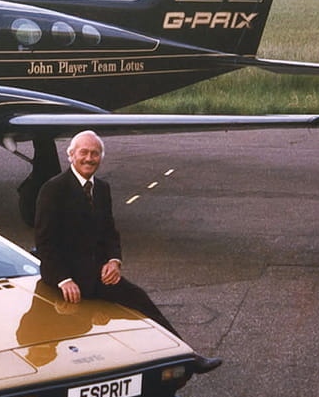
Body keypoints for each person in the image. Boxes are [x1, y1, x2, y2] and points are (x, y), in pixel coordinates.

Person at [34, 130, 222, 374]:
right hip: (65, 278)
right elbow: (44, 242)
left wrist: (114, 261)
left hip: (99, 276)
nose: (89, 158)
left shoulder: (102, 188)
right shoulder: (53, 189)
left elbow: (109, 232)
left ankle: (187, 356)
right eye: (84, 153)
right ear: (71, 155)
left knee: (140, 300)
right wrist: (63, 279)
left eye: (95, 154)